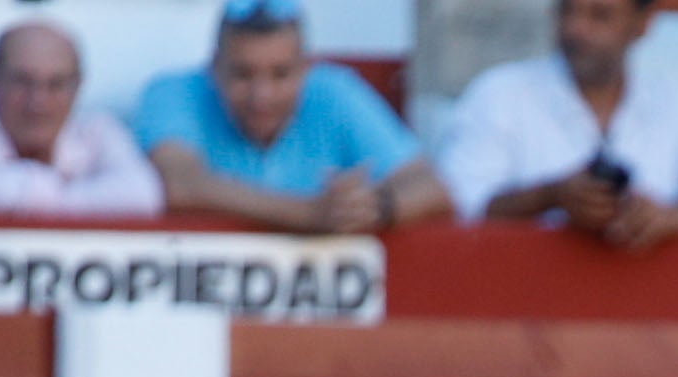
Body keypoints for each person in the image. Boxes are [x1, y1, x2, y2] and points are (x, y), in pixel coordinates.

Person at [435, 0, 678, 251]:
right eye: (567, 11)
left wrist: (671, 219)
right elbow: (457, 204)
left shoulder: (677, 104)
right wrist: (550, 197)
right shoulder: (500, 94)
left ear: (643, 22)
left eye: (600, 15)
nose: (576, 29)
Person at [130, 0, 447, 235]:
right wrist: (309, 214)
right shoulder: (172, 92)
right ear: (214, 66)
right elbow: (179, 184)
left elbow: (431, 186)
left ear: (306, 67)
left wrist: (371, 207)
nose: (261, 95)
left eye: (280, 74)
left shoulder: (335, 91)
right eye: (243, 74)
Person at [0, 19, 160, 216]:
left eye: (56, 84)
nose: (38, 101)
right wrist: (80, 196)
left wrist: (30, 197)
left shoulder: (98, 132)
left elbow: (142, 194)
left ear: (78, 86)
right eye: (23, 81)